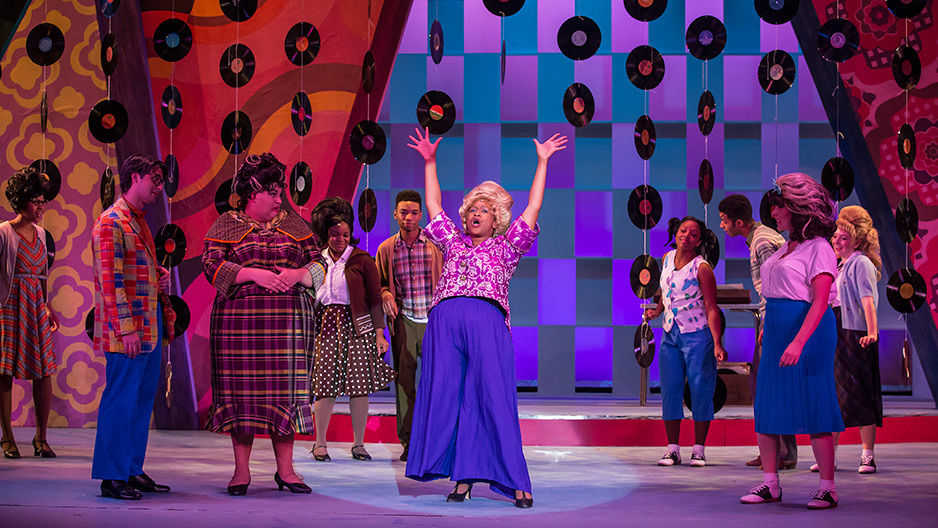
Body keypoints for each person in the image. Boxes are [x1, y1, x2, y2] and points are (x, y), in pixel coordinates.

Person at [404, 126, 567, 509]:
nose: (477, 214)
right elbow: (433, 206)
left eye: (485, 211)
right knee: (450, 397)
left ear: (496, 220)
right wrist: (430, 161)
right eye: (473, 210)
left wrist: (542, 162)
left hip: (486, 320)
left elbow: (534, 208)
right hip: (444, 320)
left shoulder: (507, 247)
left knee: (492, 399)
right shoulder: (452, 240)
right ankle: (462, 477)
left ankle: (515, 480)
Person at [202, 153, 323, 496]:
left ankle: (286, 471)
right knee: (242, 396)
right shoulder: (227, 224)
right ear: (251, 194)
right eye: (271, 192)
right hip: (240, 328)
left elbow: (320, 264)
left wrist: (300, 274)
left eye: (279, 191)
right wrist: (254, 274)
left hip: (286, 329)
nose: (278, 198)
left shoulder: (296, 225)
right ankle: (241, 471)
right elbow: (211, 264)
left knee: (284, 395)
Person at [740, 173, 843, 510]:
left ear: (798, 209)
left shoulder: (820, 248)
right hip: (776, 330)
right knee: (767, 402)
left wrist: (798, 342)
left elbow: (820, 301)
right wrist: (768, 327)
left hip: (809, 331)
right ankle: (771, 483)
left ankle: (827, 486)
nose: (774, 212)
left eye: (779, 206)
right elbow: (774, 293)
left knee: (815, 400)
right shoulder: (785, 248)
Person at [91, 155, 176, 500]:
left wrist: (158, 276)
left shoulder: (138, 221)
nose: (159, 187)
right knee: (120, 399)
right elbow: (110, 283)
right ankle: (112, 475)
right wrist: (125, 329)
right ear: (135, 177)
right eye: (154, 179)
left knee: (141, 401)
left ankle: (131, 468)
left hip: (147, 323)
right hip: (128, 329)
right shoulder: (111, 222)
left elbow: (132, 270)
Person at [309, 197, 394, 463]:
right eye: (334, 234)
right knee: (324, 386)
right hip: (325, 325)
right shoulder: (317, 260)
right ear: (326, 234)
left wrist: (379, 333)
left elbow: (374, 298)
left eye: (345, 234)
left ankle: (359, 444)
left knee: (359, 387)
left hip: (357, 325)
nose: (340, 239)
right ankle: (320, 443)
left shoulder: (361, 260)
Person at [718, 195, 797, 469]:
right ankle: (776, 450)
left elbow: (776, 285)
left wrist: (768, 322)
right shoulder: (762, 238)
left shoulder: (762, 241)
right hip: (775, 317)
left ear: (738, 222)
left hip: (776, 318)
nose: (721, 226)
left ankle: (780, 452)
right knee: (763, 384)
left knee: (765, 385)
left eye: (724, 220)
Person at [644, 216, 727, 468]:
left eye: (692, 234)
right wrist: (658, 310)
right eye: (683, 231)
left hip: (697, 334)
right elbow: (666, 290)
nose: (686, 236)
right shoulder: (667, 259)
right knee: (670, 389)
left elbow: (712, 307)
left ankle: (699, 450)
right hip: (670, 333)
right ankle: (672, 449)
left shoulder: (702, 268)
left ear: (699, 240)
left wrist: (717, 342)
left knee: (701, 391)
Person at [375, 190, 442, 462]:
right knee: (405, 385)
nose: (409, 217)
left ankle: (439, 439)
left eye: (414, 212)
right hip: (404, 321)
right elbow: (378, 284)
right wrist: (385, 294)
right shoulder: (386, 248)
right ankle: (409, 441)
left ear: (421, 215)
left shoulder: (436, 245)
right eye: (404, 212)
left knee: (440, 381)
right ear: (395, 214)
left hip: (435, 320)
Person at [0, 167, 59, 459]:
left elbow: (42, 276)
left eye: (42, 200)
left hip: (35, 307)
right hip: (8, 309)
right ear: (21, 201)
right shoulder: (3, 232)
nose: (41, 206)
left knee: (44, 371)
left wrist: (47, 307)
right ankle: (7, 438)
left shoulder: (41, 234)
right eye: (35, 201)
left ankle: (41, 438)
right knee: (4, 372)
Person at [824, 205, 882, 474]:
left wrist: (872, 332)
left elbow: (868, 300)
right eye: (836, 236)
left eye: (843, 237)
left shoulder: (861, 263)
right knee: (836, 392)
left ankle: (867, 454)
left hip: (856, 334)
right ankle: (829, 456)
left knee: (861, 393)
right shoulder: (841, 265)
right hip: (837, 331)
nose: (837, 240)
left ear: (857, 240)